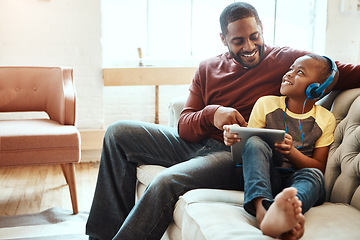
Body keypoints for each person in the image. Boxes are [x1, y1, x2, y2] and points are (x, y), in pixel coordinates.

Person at [86, 2, 360, 240]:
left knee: (166, 182)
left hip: (231, 153)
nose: (250, 46)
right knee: (117, 132)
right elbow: (184, 126)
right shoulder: (207, 68)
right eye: (239, 41)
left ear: (262, 28)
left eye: (255, 36)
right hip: (197, 143)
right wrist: (212, 113)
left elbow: (339, 72)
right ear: (223, 39)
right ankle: (102, 236)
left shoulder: (287, 61)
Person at [224, 54, 338, 239]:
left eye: (299, 72)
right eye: (291, 68)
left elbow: (319, 166)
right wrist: (235, 135)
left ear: (316, 89)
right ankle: (263, 211)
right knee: (254, 141)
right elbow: (249, 149)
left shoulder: (326, 119)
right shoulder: (266, 104)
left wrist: (292, 153)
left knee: (315, 176)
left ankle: (285, 214)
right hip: (267, 175)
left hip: (298, 179)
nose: (289, 74)